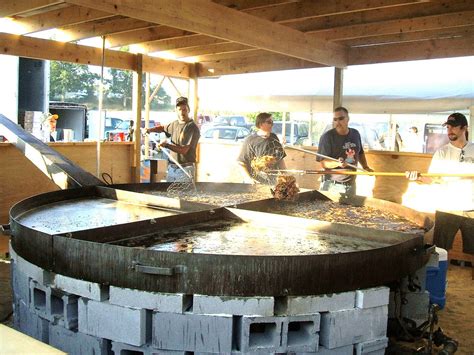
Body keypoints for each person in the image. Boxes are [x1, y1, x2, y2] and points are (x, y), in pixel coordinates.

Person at [406, 113, 474, 252]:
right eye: (448, 127)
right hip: (447, 207)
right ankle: (442, 274)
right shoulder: (441, 153)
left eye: (454, 127)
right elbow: (433, 179)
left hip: (471, 208)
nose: (450, 131)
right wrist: (417, 177)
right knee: (441, 251)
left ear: (464, 128)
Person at [317, 106, 373, 196]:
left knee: (349, 210)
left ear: (348, 119)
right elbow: (323, 163)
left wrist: (366, 167)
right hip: (332, 184)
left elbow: (360, 152)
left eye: (341, 118)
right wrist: (338, 163)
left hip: (351, 184)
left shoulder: (355, 134)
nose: (338, 122)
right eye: (335, 119)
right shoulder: (327, 137)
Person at [146, 97, 200, 182]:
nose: (182, 112)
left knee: (184, 194)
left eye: (184, 109)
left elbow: (184, 150)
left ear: (188, 110)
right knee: (169, 193)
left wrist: (167, 145)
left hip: (185, 169)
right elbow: (162, 128)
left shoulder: (191, 127)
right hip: (172, 168)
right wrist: (150, 130)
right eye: (179, 109)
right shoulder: (174, 124)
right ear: (176, 111)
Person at [237, 112, 286, 183]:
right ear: (260, 124)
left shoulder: (274, 138)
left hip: (271, 182)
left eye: (272, 122)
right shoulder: (250, 140)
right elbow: (241, 162)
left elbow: (280, 159)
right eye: (269, 122)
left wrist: (285, 175)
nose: (272, 125)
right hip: (255, 182)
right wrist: (248, 179)